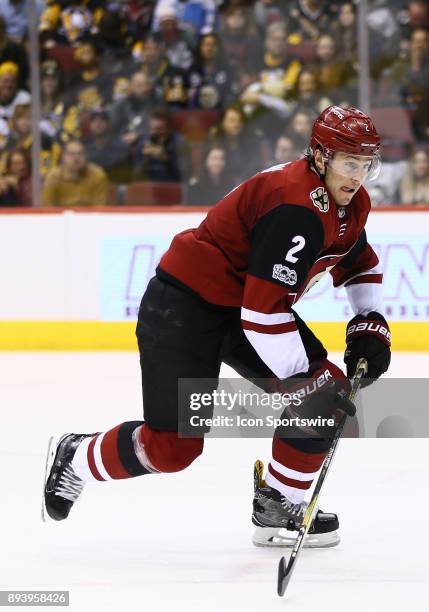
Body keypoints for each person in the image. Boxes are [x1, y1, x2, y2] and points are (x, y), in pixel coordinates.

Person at [42, 106, 391, 551]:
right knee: (172, 450)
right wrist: (307, 383)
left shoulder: (349, 201)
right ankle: (77, 457)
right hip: (185, 306)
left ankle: (278, 506)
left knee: (327, 398)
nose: (358, 175)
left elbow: (359, 263)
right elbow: (263, 315)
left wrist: (369, 320)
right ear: (320, 157)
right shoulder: (295, 206)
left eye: (366, 164)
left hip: (242, 306)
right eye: (348, 162)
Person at [42, 139, 109, 207]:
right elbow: (48, 209)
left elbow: (100, 209)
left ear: (86, 156)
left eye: (80, 154)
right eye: (71, 154)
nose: (76, 158)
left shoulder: (97, 175)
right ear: (63, 157)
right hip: (61, 217)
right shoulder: (54, 177)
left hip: (89, 216)